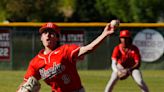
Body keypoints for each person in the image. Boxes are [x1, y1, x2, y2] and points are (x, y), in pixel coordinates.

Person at [17, 20, 118, 92]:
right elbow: (26, 83)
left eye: (52, 33)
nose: (47, 35)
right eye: (45, 33)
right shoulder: (35, 62)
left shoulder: (65, 50)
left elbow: (89, 48)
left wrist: (105, 34)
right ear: (41, 38)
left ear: (57, 38)